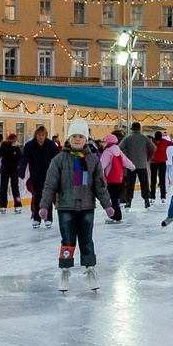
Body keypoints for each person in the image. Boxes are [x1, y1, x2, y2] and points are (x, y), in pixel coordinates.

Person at [39, 119, 116, 292]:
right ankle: (64, 271)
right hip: (66, 207)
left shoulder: (94, 161)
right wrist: (44, 206)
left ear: (85, 139)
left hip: (87, 207)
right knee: (67, 241)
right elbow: (50, 185)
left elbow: (100, 186)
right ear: (68, 138)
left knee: (86, 241)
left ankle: (90, 270)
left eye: (80, 136)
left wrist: (107, 205)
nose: (77, 139)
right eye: (73, 136)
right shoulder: (58, 160)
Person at [20, 126, 60, 229]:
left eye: (42, 135)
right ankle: (36, 219)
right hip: (35, 175)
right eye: (39, 135)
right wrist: (21, 171)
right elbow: (24, 159)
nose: (41, 137)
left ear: (45, 135)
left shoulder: (50, 145)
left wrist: (59, 170)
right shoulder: (30, 146)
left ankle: (48, 218)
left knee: (48, 197)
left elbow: (58, 158)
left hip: (48, 175)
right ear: (36, 135)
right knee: (37, 197)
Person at [98, 134, 134, 224]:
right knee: (115, 196)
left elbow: (102, 165)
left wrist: (96, 171)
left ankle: (116, 215)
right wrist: (132, 167)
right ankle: (117, 215)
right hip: (118, 177)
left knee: (112, 197)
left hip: (110, 178)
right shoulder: (118, 150)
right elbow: (126, 161)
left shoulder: (108, 152)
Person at [119, 122, 154, 210]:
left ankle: (128, 202)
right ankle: (146, 201)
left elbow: (120, 147)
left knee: (130, 184)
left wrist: (125, 157)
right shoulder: (144, 138)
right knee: (144, 183)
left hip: (131, 165)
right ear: (139, 128)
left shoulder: (127, 138)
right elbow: (153, 148)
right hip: (142, 164)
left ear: (132, 129)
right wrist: (148, 157)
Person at [0, 132, 23, 213]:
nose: (17, 142)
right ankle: (3, 205)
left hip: (14, 171)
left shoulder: (17, 149)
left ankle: (17, 204)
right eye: (16, 140)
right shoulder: (4, 148)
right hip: (5, 170)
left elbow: (20, 159)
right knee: (4, 187)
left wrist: (20, 166)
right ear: (13, 141)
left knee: (15, 188)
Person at [150, 130, 171, 201]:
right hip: (153, 163)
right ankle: (152, 196)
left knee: (162, 179)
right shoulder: (151, 142)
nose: (158, 142)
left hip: (162, 162)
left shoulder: (164, 142)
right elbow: (148, 151)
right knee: (153, 180)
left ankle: (163, 196)